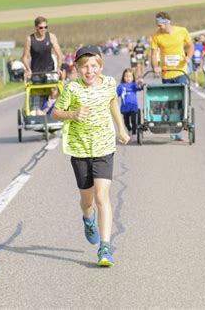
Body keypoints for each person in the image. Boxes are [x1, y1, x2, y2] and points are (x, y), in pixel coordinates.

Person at [51, 45, 130, 267]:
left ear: (100, 66)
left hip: (104, 147)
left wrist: (121, 128)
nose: (89, 71)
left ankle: (105, 248)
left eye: (93, 66)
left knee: (102, 197)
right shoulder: (72, 89)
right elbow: (55, 112)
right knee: (88, 201)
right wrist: (72, 114)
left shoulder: (109, 84)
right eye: (84, 66)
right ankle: (88, 219)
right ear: (76, 68)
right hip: (79, 149)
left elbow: (113, 101)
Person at [151, 11, 194, 141]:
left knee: (183, 97)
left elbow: (190, 45)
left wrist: (188, 57)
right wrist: (155, 66)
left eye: (160, 25)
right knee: (170, 101)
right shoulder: (156, 36)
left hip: (181, 71)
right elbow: (153, 53)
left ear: (167, 22)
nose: (159, 27)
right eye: (157, 25)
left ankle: (184, 119)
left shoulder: (182, 31)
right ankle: (174, 130)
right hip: (166, 72)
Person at [117, 68, 143, 141]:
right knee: (126, 122)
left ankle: (134, 134)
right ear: (123, 77)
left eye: (130, 76)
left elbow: (139, 87)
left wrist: (140, 82)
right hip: (125, 107)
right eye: (126, 76)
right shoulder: (121, 86)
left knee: (134, 121)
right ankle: (130, 130)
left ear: (133, 77)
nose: (128, 78)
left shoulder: (133, 85)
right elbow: (116, 94)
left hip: (133, 106)